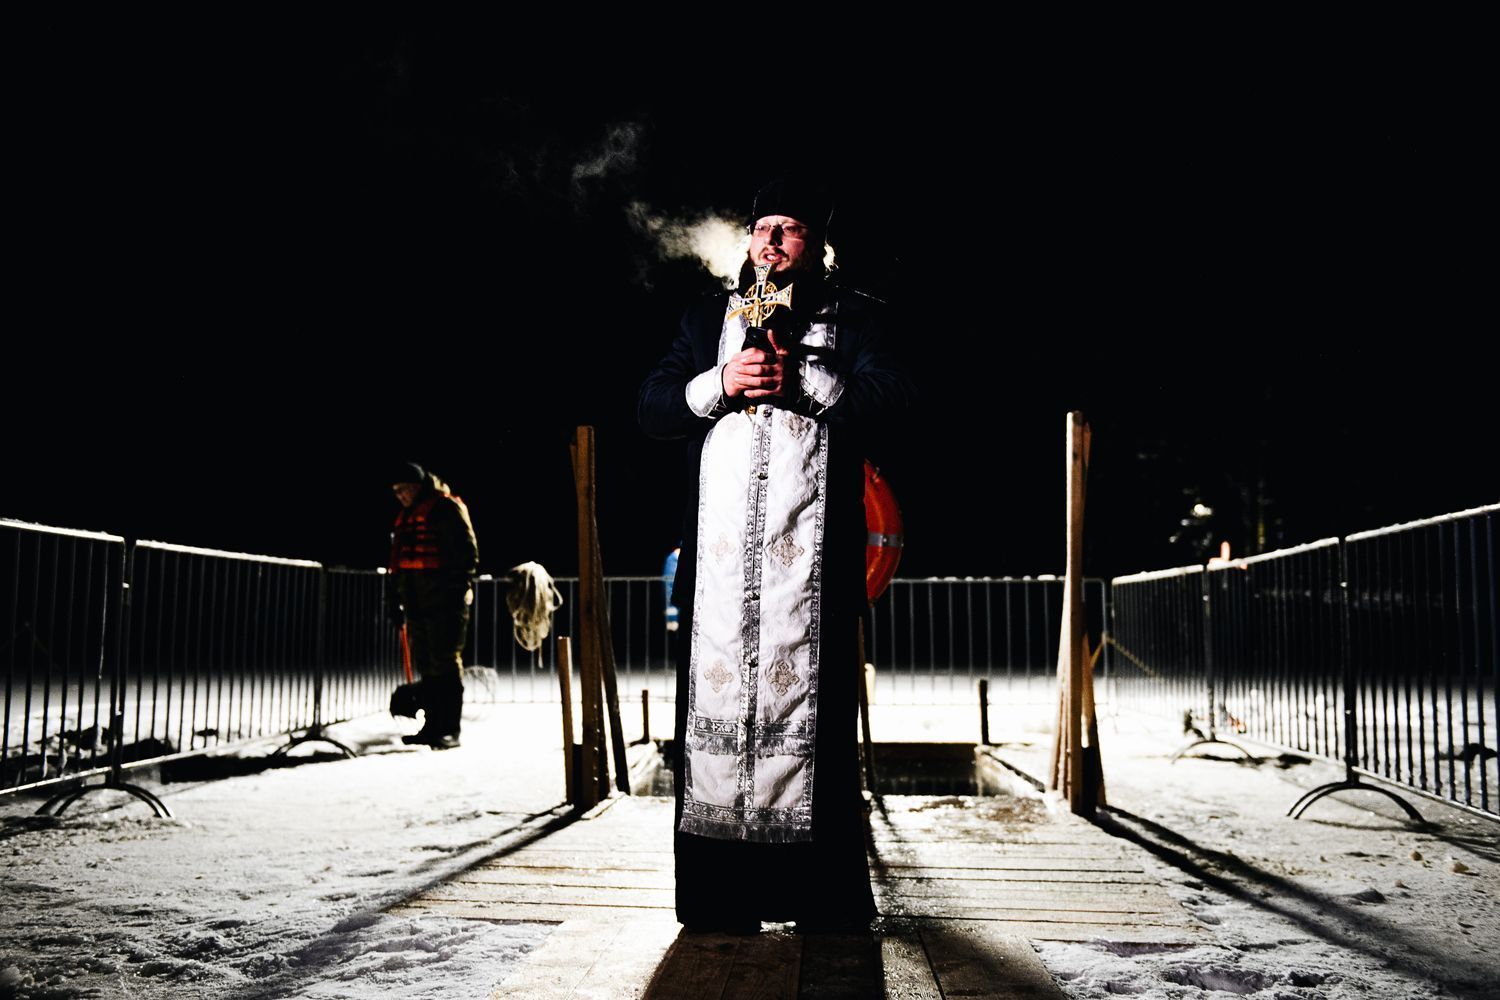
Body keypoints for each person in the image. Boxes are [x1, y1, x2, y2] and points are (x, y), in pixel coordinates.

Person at [638, 177, 913, 932]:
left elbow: (897, 398)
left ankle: (816, 901)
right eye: (763, 227)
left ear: (816, 246)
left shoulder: (856, 317)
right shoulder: (707, 318)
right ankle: (718, 901)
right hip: (720, 582)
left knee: (813, 735)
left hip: (812, 576)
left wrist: (807, 379)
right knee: (713, 732)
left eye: (789, 229)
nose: (773, 241)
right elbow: (653, 408)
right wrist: (721, 381)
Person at [387, 462, 479, 750]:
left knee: (445, 662)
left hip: (444, 601)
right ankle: (432, 726)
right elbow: (398, 563)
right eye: (396, 491)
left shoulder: (445, 508)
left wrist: (454, 591)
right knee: (427, 664)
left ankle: (450, 728)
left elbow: (466, 553)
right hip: (416, 602)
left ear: (417, 486)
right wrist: (394, 599)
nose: (400, 496)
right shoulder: (407, 515)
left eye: (403, 489)